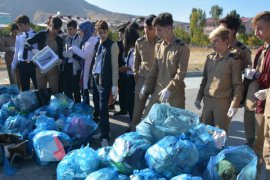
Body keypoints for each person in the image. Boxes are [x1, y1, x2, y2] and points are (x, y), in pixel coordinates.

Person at [194, 27, 243, 134]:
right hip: (207, 101)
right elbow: (205, 80)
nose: (213, 44)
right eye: (212, 41)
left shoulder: (233, 60)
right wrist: (198, 97)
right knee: (205, 133)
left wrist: (234, 105)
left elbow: (237, 85)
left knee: (220, 136)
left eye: (216, 41)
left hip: (222, 103)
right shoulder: (210, 58)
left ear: (226, 41)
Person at [139, 12, 190, 114]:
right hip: (159, 90)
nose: (156, 33)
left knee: (177, 125)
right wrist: (146, 85)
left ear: (169, 28)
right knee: (147, 119)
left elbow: (181, 72)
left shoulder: (182, 47)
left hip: (175, 93)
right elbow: (155, 68)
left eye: (159, 30)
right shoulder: (159, 45)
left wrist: (169, 89)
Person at [219, 15, 255, 147]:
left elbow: (248, 77)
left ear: (232, 31)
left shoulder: (243, 50)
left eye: (223, 29)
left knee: (222, 129)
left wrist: (240, 99)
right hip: (216, 91)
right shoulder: (220, 44)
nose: (219, 31)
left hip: (230, 94)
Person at [244, 11, 270, 178]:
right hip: (257, 103)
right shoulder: (261, 50)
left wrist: (257, 75)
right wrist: (249, 75)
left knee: (265, 149)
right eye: (255, 29)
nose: (256, 33)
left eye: (260, 28)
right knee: (256, 146)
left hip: (267, 105)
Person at [91, 20, 119, 147]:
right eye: (100, 32)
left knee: (103, 110)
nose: (102, 35)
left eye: (104, 32)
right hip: (96, 79)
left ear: (107, 32)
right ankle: (103, 131)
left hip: (105, 81)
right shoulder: (98, 44)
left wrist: (114, 84)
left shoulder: (112, 45)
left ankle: (105, 136)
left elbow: (114, 66)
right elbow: (96, 62)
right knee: (97, 107)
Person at [130, 14, 159, 131]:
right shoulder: (139, 42)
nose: (147, 30)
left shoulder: (161, 43)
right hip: (142, 79)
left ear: (156, 28)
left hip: (157, 81)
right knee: (136, 111)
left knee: (153, 113)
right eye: (146, 27)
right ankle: (133, 135)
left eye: (150, 28)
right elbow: (136, 62)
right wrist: (136, 76)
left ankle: (149, 136)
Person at [26, 16, 64, 94]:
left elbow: (60, 55)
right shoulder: (41, 35)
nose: (55, 31)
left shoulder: (60, 40)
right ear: (50, 25)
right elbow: (26, 43)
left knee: (54, 93)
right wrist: (32, 49)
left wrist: (60, 60)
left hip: (53, 69)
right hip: (40, 68)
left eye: (57, 29)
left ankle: (53, 106)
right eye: (54, 28)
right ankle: (43, 105)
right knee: (41, 91)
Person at [69, 20, 98, 104]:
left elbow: (85, 55)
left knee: (89, 92)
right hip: (86, 71)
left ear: (85, 31)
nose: (79, 32)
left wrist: (74, 48)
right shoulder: (87, 40)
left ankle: (94, 113)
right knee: (85, 91)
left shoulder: (91, 40)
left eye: (80, 30)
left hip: (89, 72)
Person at [119, 27, 140, 131]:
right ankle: (133, 123)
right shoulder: (130, 50)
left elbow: (138, 67)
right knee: (130, 103)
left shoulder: (137, 50)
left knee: (133, 104)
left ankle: (134, 126)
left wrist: (127, 68)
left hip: (133, 79)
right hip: (128, 78)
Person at [11, 15, 38, 91]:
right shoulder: (19, 36)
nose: (19, 27)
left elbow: (39, 51)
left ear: (27, 24)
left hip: (33, 64)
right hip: (22, 64)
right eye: (18, 25)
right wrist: (13, 65)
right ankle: (26, 102)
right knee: (24, 88)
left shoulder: (36, 35)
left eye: (20, 25)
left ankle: (40, 101)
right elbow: (17, 51)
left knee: (37, 86)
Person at [62, 20, 82, 102]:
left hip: (76, 67)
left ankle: (78, 106)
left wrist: (72, 54)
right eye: (67, 29)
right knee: (67, 88)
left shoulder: (80, 39)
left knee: (76, 89)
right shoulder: (66, 39)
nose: (68, 31)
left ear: (75, 29)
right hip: (67, 66)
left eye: (70, 29)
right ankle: (70, 106)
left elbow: (80, 55)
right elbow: (63, 53)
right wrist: (71, 54)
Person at [113, 27, 128, 115]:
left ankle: (125, 109)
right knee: (121, 91)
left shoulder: (129, 44)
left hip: (127, 70)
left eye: (121, 35)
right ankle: (122, 109)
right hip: (119, 69)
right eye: (119, 35)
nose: (120, 36)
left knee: (125, 92)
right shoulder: (117, 44)